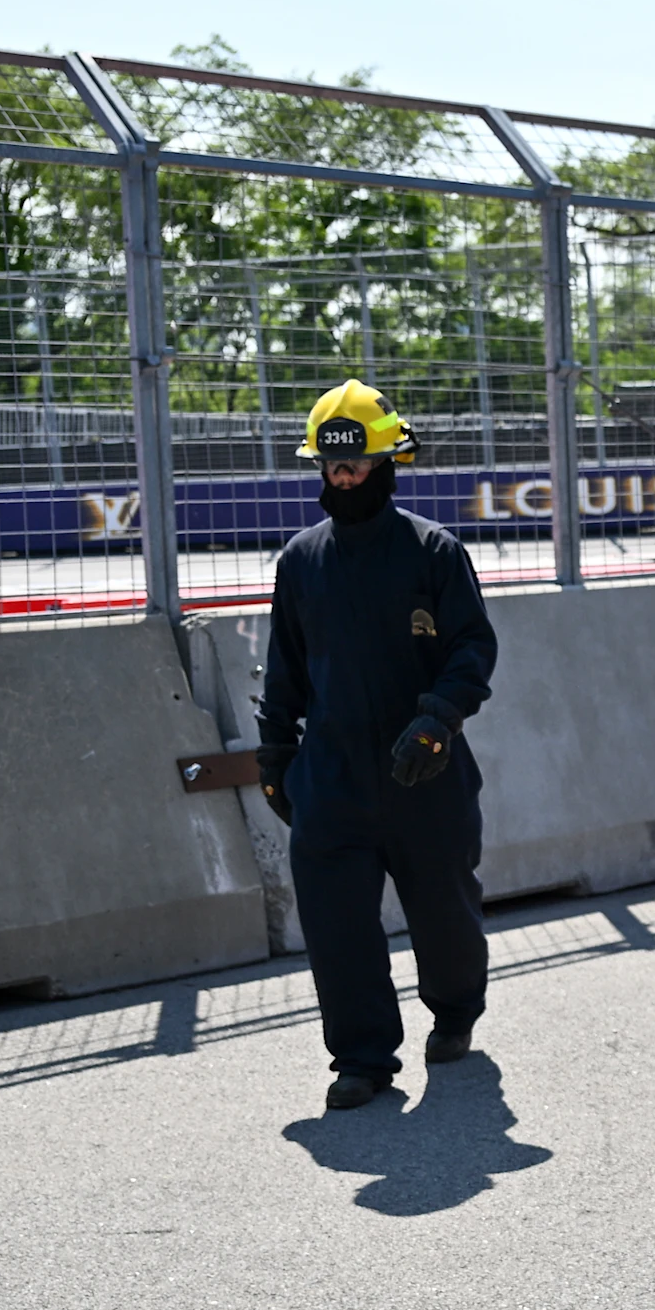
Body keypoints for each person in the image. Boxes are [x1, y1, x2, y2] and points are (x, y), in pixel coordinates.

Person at [255, 381, 500, 1111]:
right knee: (336, 924)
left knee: (446, 917)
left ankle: (455, 1012)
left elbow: (472, 648)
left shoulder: (434, 551)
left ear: (388, 461)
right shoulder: (301, 562)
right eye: (332, 468)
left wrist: (436, 720)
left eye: (356, 465)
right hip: (332, 776)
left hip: (425, 770)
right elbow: (285, 667)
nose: (343, 478)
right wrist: (276, 755)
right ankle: (361, 1057)